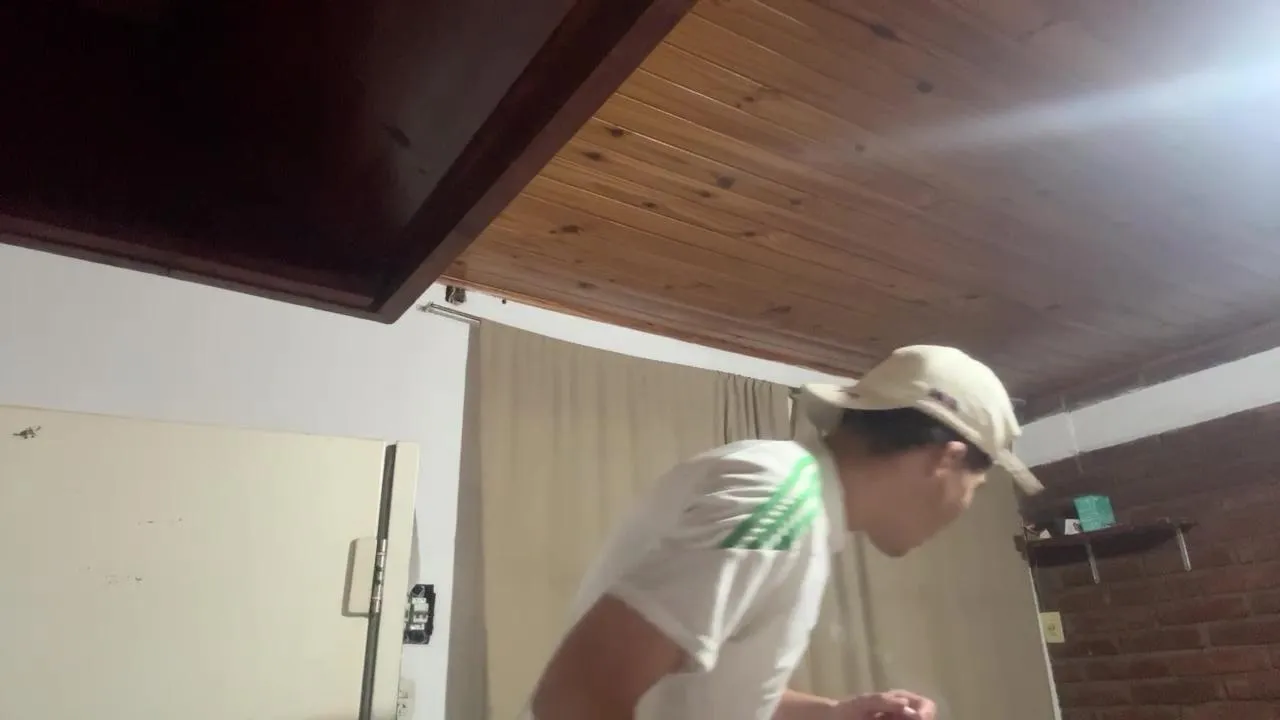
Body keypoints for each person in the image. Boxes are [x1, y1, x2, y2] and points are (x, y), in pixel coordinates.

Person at [523, 345, 1043, 720]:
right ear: (945, 460)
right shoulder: (779, 501)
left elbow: (709, 692)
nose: (965, 507)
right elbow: (575, 697)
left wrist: (835, 712)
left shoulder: (795, 503)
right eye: (976, 485)